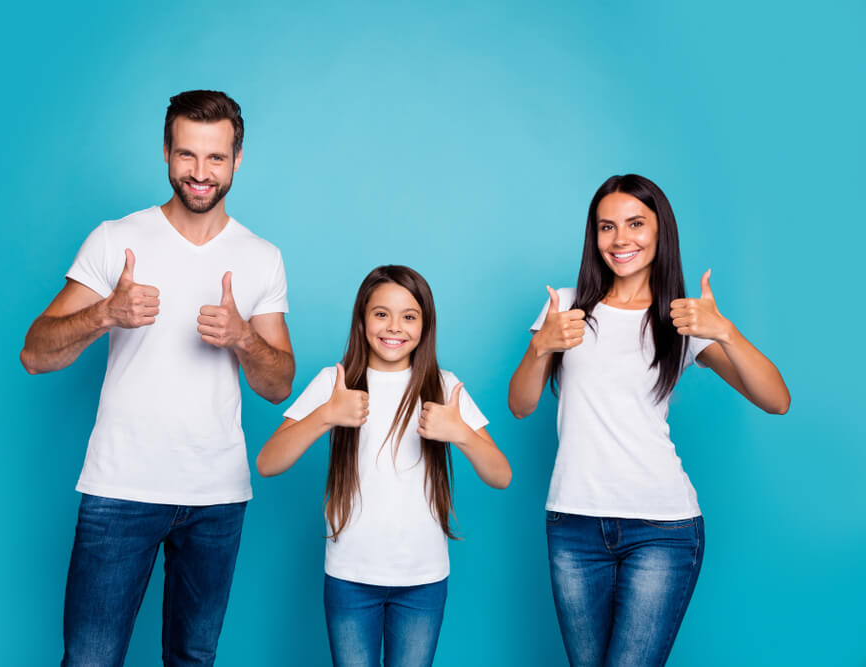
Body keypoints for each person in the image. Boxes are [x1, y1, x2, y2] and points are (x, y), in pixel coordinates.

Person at [20, 90, 295, 667]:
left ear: (237, 158)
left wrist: (245, 336)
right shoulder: (116, 239)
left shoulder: (260, 257)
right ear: (166, 153)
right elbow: (35, 355)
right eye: (187, 156)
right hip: (120, 491)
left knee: (193, 660)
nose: (200, 173)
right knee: (90, 660)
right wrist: (105, 314)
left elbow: (278, 385)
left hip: (217, 497)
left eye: (216, 158)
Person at [507, 174, 790, 667]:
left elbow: (776, 399)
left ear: (661, 231)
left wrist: (725, 331)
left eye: (636, 224)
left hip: (662, 528)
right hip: (572, 525)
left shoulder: (680, 318)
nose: (620, 240)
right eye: (606, 227)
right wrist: (541, 346)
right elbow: (520, 404)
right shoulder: (568, 306)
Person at [257, 265, 511, 667]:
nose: (395, 327)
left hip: (423, 580)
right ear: (362, 320)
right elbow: (268, 463)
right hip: (349, 576)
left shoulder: (443, 386)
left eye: (409, 316)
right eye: (381, 313)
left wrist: (461, 432)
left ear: (425, 326)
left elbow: (501, 475)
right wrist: (325, 414)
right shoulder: (334, 382)